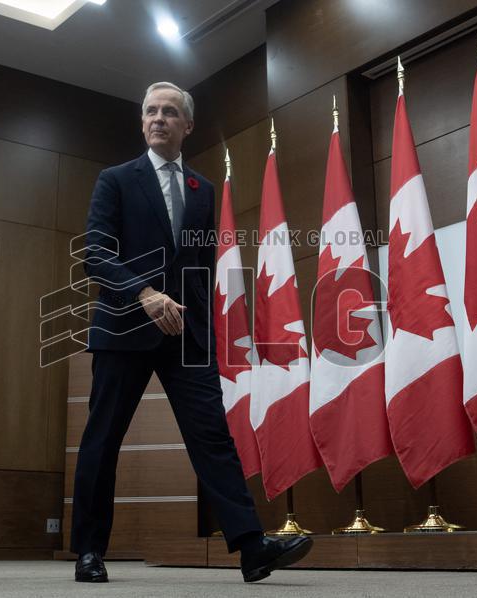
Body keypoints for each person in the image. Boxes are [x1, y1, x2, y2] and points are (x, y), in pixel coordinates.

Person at [70, 81, 312, 583]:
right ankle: (89, 551)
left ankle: (250, 548)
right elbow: (95, 254)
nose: (158, 118)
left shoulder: (204, 191)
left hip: (187, 339)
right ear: (142, 122)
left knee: (213, 438)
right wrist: (144, 293)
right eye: (151, 111)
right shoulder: (114, 180)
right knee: (102, 440)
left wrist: (206, 336)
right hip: (125, 329)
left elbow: (201, 268)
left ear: (188, 125)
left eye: (169, 112)